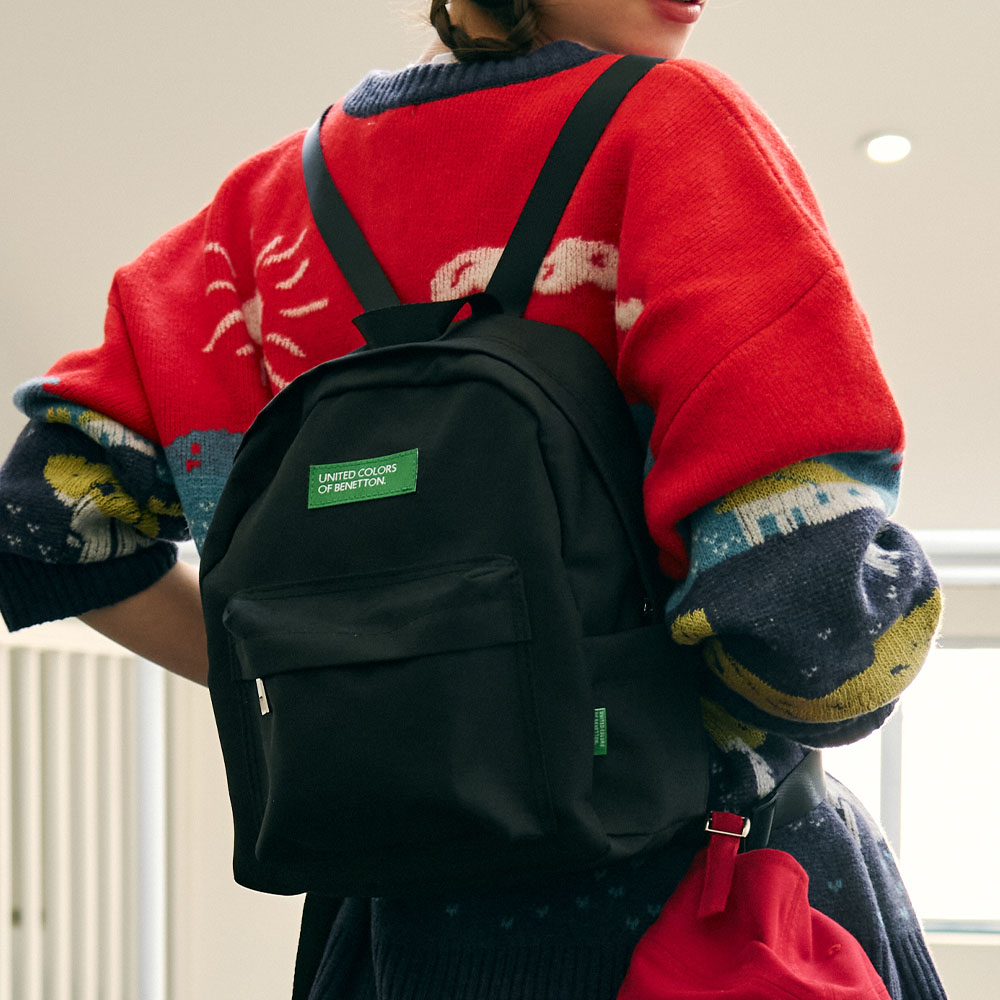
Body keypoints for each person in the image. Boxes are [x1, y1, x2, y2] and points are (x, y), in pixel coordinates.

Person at [0, 2, 946, 998]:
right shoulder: (666, 127)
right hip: (693, 912)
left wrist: (370, 685)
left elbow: (40, 529)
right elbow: (815, 649)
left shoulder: (253, 219)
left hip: (386, 938)